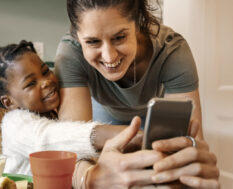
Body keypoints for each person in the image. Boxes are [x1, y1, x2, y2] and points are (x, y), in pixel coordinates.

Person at [54, 0, 220, 188]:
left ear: (138, 23)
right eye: (92, 42)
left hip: (151, 113)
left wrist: (189, 162)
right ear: (77, 36)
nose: (109, 57)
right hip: (103, 113)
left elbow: (191, 142)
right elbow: (69, 152)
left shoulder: (172, 50)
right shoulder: (70, 54)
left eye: (119, 37)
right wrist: (90, 176)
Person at [0, 40, 143, 176]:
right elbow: (47, 140)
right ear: (9, 102)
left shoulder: (57, 111)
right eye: (30, 83)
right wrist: (134, 135)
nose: (45, 82)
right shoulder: (14, 123)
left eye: (45, 71)